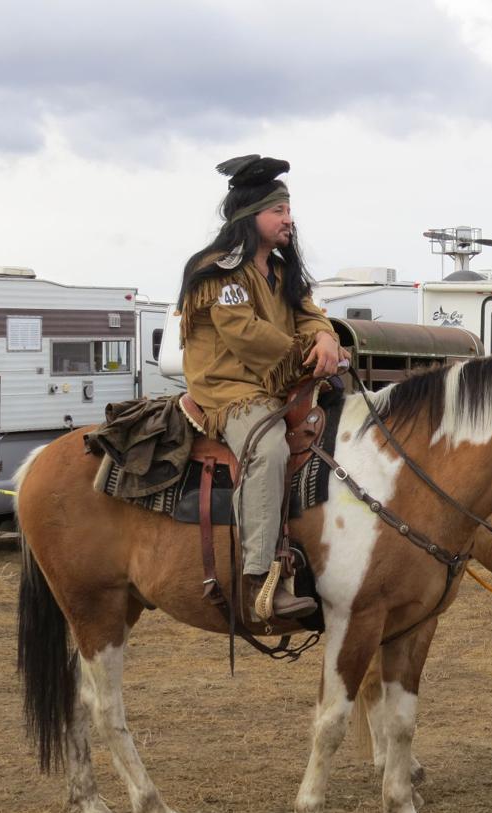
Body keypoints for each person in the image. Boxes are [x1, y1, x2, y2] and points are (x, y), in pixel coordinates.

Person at [177, 154, 347, 619]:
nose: (289, 220)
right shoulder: (219, 272)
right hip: (230, 390)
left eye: (288, 210)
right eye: (279, 211)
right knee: (268, 448)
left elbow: (309, 310)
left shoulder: (280, 269)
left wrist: (327, 337)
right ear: (249, 218)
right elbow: (246, 336)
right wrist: (308, 354)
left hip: (273, 385)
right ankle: (260, 578)